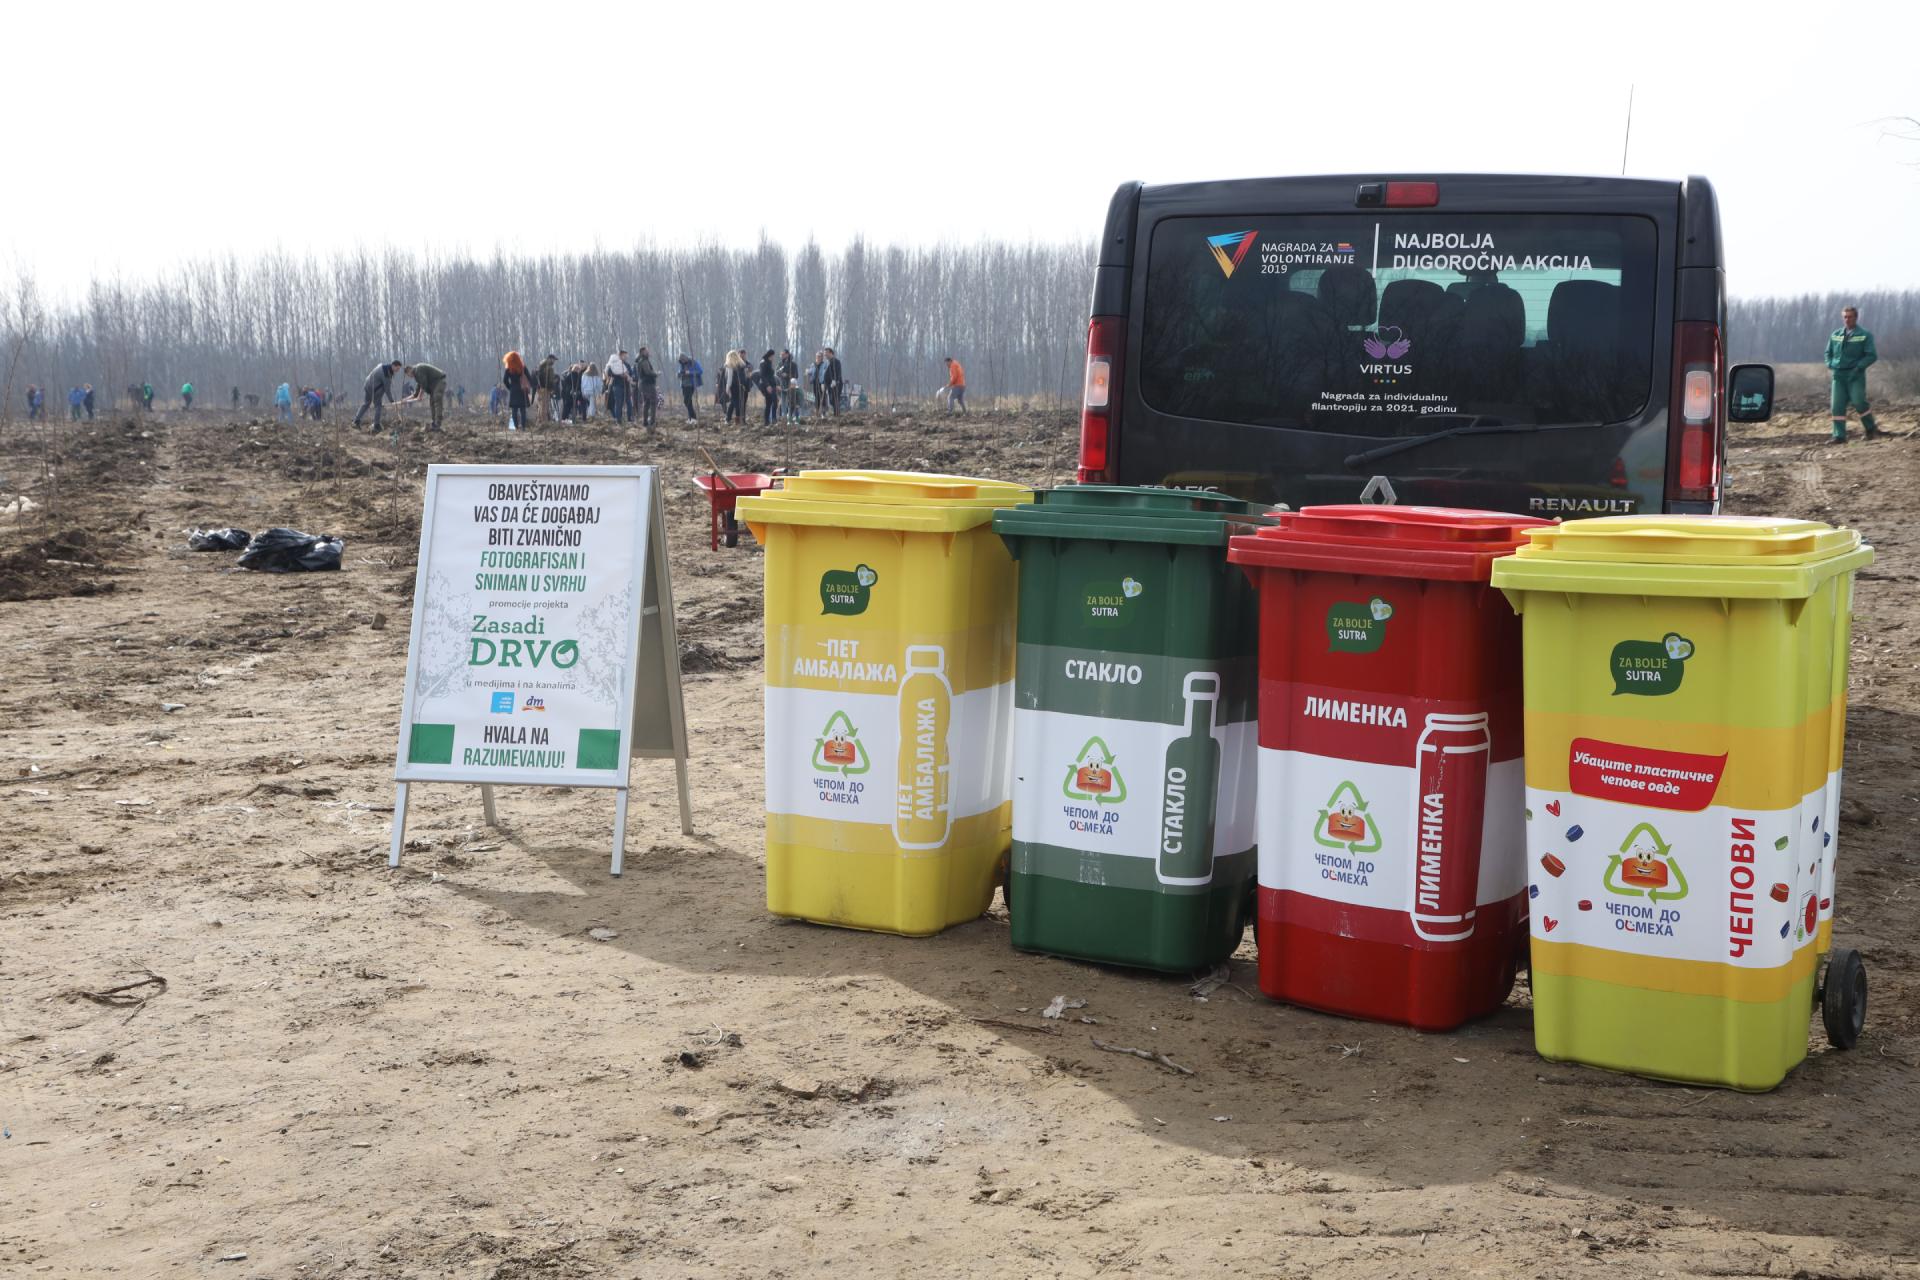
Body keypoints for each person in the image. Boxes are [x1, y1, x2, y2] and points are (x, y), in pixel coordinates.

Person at [1826, 306, 1883, 444]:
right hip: (1838, 375)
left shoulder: (1864, 335)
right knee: (1836, 406)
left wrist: (1859, 367)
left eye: (1850, 316)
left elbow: (1871, 355)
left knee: (1858, 402)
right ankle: (1839, 436)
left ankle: (1871, 428)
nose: (1847, 319)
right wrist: (1830, 364)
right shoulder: (1836, 334)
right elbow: (1828, 353)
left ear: (1856, 318)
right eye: (1845, 317)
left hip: (1855, 375)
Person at [352, 360, 401, 430]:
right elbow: (387, 389)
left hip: (367, 385)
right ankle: (376, 425)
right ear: (393, 366)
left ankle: (356, 421)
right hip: (374, 390)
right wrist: (392, 401)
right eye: (397, 368)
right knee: (378, 406)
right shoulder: (386, 374)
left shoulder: (382, 366)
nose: (398, 371)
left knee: (366, 404)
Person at [402, 361, 449, 430]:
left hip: (439, 382)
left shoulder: (419, 369)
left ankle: (437, 424)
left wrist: (420, 396)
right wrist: (405, 400)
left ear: (409, 370)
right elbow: (416, 393)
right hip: (433, 386)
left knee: (436, 400)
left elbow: (423, 384)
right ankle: (434, 423)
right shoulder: (417, 376)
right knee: (432, 403)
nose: (409, 377)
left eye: (408, 375)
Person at [502, 351, 534, 431]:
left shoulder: (508, 369)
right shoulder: (523, 367)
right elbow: (530, 378)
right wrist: (527, 386)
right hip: (522, 390)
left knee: (514, 410)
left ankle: (516, 427)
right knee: (523, 410)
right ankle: (523, 427)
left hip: (514, 391)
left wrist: (510, 387)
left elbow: (505, 380)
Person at [723, 349, 750, 426]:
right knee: (736, 403)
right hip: (741, 387)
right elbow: (746, 377)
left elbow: (729, 379)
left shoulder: (730, 366)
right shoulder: (742, 365)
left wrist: (727, 389)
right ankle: (731, 419)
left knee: (735, 404)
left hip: (734, 387)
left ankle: (735, 420)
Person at [636, 346, 659, 430]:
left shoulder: (640, 361)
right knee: (653, 402)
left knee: (647, 403)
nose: (648, 352)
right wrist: (656, 374)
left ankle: (645, 422)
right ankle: (652, 422)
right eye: (647, 351)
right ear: (643, 352)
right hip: (648, 384)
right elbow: (648, 372)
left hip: (643, 384)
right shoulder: (644, 361)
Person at [606, 349, 632, 424]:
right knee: (618, 403)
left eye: (626, 356)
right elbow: (609, 373)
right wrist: (619, 374)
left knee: (629, 402)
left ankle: (629, 418)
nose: (626, 357)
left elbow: (630, 373)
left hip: (626, 386)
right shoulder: (613, 364)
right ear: (620, 355)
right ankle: (618, 420)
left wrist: (628, 376)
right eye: (624, 355)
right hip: (617, 386)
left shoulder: (627, 365)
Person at [534, 354, 558, 422]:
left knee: (541, 405)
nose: (554, 361)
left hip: (540, 388)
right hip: (546, 389)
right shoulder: (549, 368)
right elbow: (550, 380)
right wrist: (552, 388)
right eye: (553, 360)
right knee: (545, 406)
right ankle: (544, 421)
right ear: (550, 359)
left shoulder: (541, 366)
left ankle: (539, 420)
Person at [758, 349, 778, 425]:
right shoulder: (763, 363)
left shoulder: (770, 363)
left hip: (772, 385)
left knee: (773, 402)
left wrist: (776, 385)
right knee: (771, 402)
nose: (773, 357)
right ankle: (768, 420)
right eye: (773, 356)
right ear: (770, 355)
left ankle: (772, 419)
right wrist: (767, 386)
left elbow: (771, 375)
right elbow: (762, 375)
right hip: (767, 386)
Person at [821, 347, 843, 417]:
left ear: (831, 353)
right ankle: (835, 414)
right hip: (829, 384)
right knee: (831, 400)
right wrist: (823, 383)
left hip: (836, 384)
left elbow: (838, 372)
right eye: (824, 353)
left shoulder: (836, 362)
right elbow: (825, 374)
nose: (825, 355)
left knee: (835, 399)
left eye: (826, 353)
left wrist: (835, 380)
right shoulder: (827, 363)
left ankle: (837, 414)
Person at [678, 354, 699, 423]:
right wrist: (679, 374)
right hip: (683, 385)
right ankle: (691, 418)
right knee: (688, 402)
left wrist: (689, 372)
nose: (682, 362)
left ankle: (693, 418)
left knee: (687, 401)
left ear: (686, 359)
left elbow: (700, 371)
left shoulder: (693, 362)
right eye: (681, 361)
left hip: (690, 385)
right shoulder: (681, 364)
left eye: (683, 360)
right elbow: (680, 372)